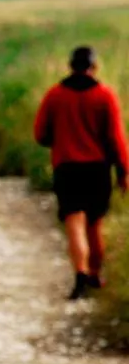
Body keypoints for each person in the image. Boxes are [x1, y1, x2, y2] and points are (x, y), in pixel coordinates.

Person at [34, 46, 129, 300]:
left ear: (70, 66)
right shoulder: (105, 95)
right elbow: (116, 138)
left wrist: (60, 139)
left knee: (74, 223)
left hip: (67, 168)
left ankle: (80, 273)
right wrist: (123, 171)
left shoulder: (55, 95)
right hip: (97, 169)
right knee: (94, 225)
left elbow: (40, 134)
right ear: (94, 66)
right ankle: (95, 274)